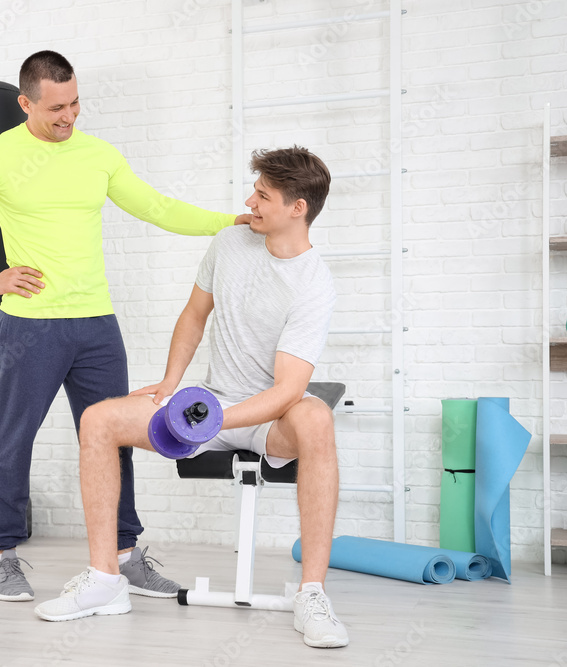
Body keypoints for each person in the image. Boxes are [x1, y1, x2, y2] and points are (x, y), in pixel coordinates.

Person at [0, 50, 251, 603]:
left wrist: (228, 222)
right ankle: (1, 556)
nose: (69, 116)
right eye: (55, 108)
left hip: (97, 325)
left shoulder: (98, 155)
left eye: (75, 102)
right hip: (32, 327)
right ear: (25, 103)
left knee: (115, 436)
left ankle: (124, 555)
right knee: (12, 440)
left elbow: (157, 208)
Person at [34, 146, 348, 649]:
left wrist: (207, 421)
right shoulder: (230, 243)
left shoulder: (314, 283)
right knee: (98, 419)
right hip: (209, 403)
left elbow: (287, 389)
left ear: (298, 208)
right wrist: (169, 383)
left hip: (267, 416)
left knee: (314, 420)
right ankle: (105, 579)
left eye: (263, 195)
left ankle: (312, 593)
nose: (250, 202)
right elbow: (194, 315)